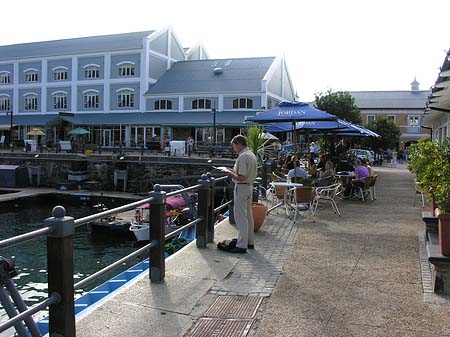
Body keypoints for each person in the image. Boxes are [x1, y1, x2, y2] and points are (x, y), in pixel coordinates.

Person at [221, 135, 257, 253]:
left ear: (238, 144)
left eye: (234, 146)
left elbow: (241, 177)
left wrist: (230, 174)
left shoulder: (242, 157)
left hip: (241, 188)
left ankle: (241, 245)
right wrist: (232, 170)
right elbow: (245, 174)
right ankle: (249, 241)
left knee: (241, 217)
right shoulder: (251, 155)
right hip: (249, 187)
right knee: (249, 216)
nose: (234, 149)